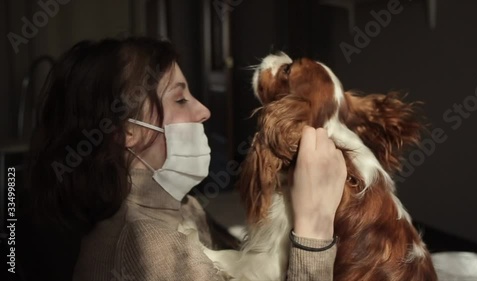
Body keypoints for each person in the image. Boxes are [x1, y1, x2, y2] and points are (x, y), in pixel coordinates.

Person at [21, 37, 347, 281]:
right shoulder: (147, 249)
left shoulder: (180, 207)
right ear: (126, 131)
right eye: (180, 99)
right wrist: (314, 231)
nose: (203, 110)